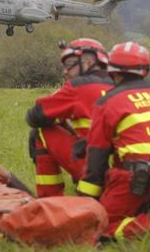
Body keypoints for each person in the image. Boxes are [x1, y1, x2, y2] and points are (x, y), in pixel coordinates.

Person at [78, 42, 150, 241]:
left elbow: (97, 159)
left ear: (111, 70)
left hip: (140, 177)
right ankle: (149, 209)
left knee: (98, 227)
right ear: (144, 70)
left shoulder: (108, 101)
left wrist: (87, 202)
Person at [0, 155, 108, 248]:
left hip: (16, 201)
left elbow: (30, 194)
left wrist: (7, 175)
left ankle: (73, 223)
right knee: (22, 219)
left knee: (89, 205)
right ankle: (74, 228)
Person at [25, 38, 114, 197]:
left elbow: (36, 115)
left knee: (41, 132)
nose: (65, 71)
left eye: (70, 64)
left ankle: (49, 199)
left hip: (96, 169)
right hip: (125, 171)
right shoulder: (120, 86)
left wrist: (59, 119)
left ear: (87, 62)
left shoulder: (78, 86)